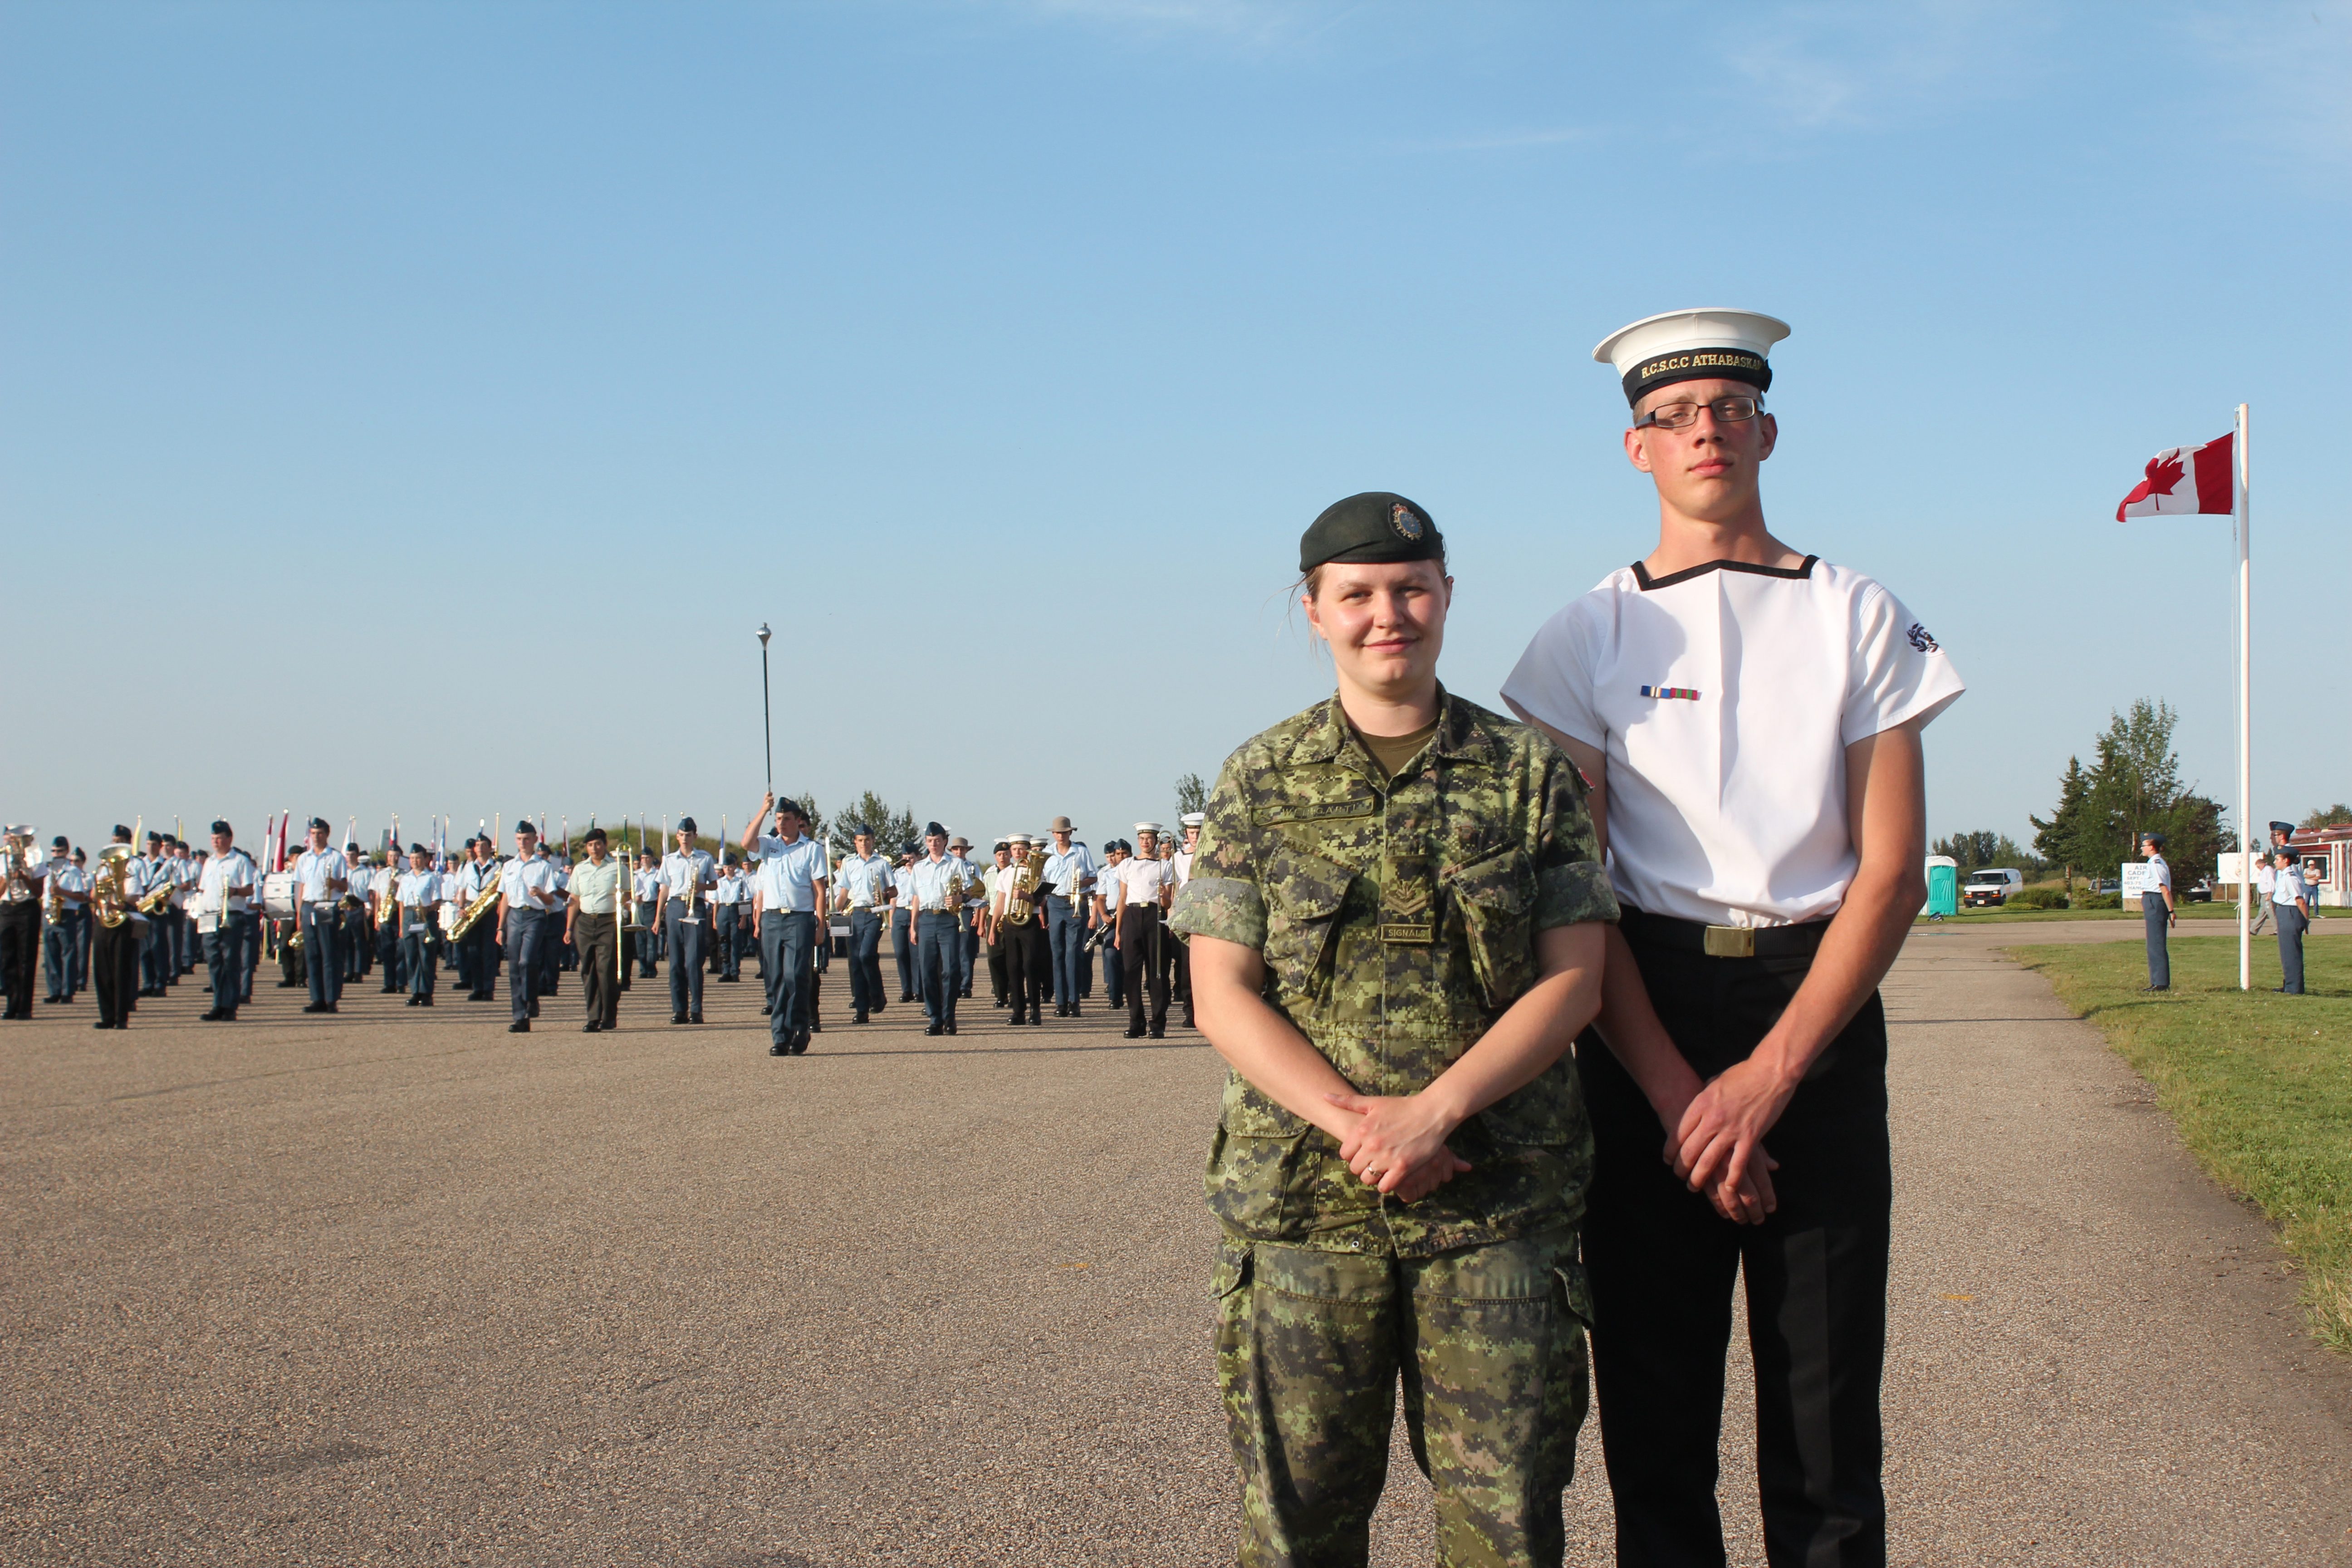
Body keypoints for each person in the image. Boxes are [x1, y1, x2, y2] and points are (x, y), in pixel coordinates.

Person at [1499, 310, 1965, 1568]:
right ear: (1634, 448)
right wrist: (1677, 1097)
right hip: (1639, 1007)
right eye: (1674, 414)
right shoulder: (1584, 636)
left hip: (1810, 1014)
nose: (1706, 429)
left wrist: (1768, 1081)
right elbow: (1575, 889)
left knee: (1824, 1422)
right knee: (1656, 1420)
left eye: (1730, 408)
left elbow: (1890, 878)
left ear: (1769, 429)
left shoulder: (1858, 613)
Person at [1172, 489, 1627, 1565]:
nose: (1389, 613)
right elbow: (1221, 990)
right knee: (1297, 1531)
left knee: (1506, 1529)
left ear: (1446, 595)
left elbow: (1575, 982)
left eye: (1411, 588)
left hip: (1497, 1203)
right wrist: (1362, 1128)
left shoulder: (1524, 774)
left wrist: (1433, 1113)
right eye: (1359, 593)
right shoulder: (1259, 776)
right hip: (1302, 1213)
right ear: (1313, 609)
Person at [743, 794, 829, 1056]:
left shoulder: (811, 849)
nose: (782, 824)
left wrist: (821, 923)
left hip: (799, 918)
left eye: (787, 819)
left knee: (796, 976)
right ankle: (780, 1036)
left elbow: (819, 890)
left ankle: (800, 1028)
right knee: (776, 978)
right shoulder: (769, 845)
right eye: (778, 819)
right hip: (772, 918)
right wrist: (763, 810)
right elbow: (747, 842)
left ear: (798, 821)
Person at [903, 821, 979, 1037]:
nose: (933, 845)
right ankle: (935, 1018)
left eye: (937, 841)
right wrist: (913, 925)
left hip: (948, 920)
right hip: (926, 919)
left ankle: (949, 1016)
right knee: (927, 971)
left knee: (951, 969)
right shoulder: (919, 868)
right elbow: (916, 898)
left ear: (945, 841)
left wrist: (960, 898)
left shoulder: (955, 864)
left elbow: (970, 891)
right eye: (929, 841)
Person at [496, 820, 563, 1033]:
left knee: (528, 961)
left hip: (535, 916)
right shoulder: (509, 866)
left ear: (535, 840)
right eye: (519, 840)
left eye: (526, 839)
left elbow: (551, 900)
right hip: (514, 917)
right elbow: (505, 897)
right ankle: (521, 1016)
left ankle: (531, 999)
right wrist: (500, 928)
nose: (523, 843)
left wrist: (540, 894)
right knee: (514, 966)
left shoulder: (543, 866)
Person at [1114, 823, 1174, 1040]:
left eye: (1149, 838)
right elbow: (1122, 899)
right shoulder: (1127, 865)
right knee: (1131, 972)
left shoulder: (1164, 866)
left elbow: (1169, 901)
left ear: (1156, 840)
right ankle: (1136, 1021)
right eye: (1142, 839)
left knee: (1157, 972)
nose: (1145, 842)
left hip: (1154, 915)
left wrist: (1164, 897)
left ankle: (1158, 1023)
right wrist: (1119, 931)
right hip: (1132, 915)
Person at [90, 827, 151, 1030]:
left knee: (121, 971)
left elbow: (133, 898)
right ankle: (107, 1015)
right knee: (102, 971)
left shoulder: (132, 871)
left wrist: (115, 902)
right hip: (103, 922)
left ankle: (121, 1017)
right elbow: (93, 895)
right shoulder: (103, 870)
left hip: (123, 923)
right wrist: (101, 893)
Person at [656, 817, 715, 1024]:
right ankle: (679, 1009)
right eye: (681, 835)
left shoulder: (704, 859)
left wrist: (702, 887)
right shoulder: (669, 860)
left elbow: (714, 885)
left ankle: (696, 1009)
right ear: (677, 836)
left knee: (693, 962)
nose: (684, 839)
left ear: (695, 837)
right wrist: (658, 918)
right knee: (675, 964)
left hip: (695, 906)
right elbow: (663, 889)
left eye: (688, 836)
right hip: (674, 906)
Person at [196, 820, 257, 1022]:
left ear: (229, 839)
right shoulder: (209, 862)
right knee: (214, 962)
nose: (216, 841)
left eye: (220, 838)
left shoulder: (240, 861)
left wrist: (234, 892)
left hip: (232, 915)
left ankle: (230, 1006)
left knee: (230, 962)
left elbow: (249, 889)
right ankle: (217, 1003)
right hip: (210, 915)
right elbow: (204, 889)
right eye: (213, 838)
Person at [565, 827, 624, 1031]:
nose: (594, 848)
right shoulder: (580, 869)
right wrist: (569, 928)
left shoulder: (617, 868)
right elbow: (574, 899)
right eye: (590, 845)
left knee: (606, 969)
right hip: (585, 922)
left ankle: (608, 1015)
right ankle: (593, 1017)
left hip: (609, 921)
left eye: (598, 844)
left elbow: (628, 893)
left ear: (605, 845)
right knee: (588, 970)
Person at [834, 823, 893, 1024]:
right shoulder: (850, 864)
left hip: (875, 914)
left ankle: (877, 994)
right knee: (856, 962)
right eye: (860, 840)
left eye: (867, 840)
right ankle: (862, 1009)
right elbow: (843, 892)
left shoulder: (882, 864)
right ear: (855, 842)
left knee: (867, 954)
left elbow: (894, 891)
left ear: (873, 841)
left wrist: (884, 894)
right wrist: (833, 912)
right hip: (856, 914)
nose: (864, 844)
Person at [291, 819, 350, 1014]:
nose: (316, 837)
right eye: (313, 833)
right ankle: (317, 998)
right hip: (309, 906)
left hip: (328, 906)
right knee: (312, 954)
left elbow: (345, 886)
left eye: (320, 833)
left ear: (327, 835)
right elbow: (299, 886)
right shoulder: (304, 858)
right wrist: (299, 913)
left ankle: (331, 999)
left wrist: (333, 882)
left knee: (329, 954)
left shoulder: (335, 857)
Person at [989, 833, 1049, 1025]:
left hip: (1029, 921)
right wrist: (992, 929)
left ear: (1028, 851)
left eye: (1021, 849)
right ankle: (1018, 1011)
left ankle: (1035, 1010)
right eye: (1014, 850)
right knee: (1013, 967)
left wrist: (1026, 896)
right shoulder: (1006, 873)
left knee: (1030, 965)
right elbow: (1000, 903)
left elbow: (1042, 900)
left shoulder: (1037, 871)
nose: (1017, 853)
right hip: (1010, 921)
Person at [1043, 817, 1094, 1017]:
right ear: (1053, 835)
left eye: (1064, 832)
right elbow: (1042, 880)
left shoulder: (1081, 852)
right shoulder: (1047, 853)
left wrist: (1079, 883)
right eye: (1057, 833)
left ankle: (1074, 1001)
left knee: (1073, 953)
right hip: (1055, 903)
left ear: (1070, 833)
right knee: (1057, 952)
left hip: (1075, 902)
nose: (1061, 836)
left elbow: (1093, 876)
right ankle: (1060, 1002)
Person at [0, 826, 46, 1019]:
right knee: (7, 960)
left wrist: (24, 875)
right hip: (6, 909)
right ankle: (12, 1003)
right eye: (10, 837)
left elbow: (38, 892)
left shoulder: (36, 855)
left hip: (27, 909)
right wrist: (8, 877)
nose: (11, 841)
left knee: (27, 959)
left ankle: (25, 1007)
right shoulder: (2, 857)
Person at [390, 843, 443, 1006]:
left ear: (425, 859)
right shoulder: (405, 879)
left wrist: (428, 909)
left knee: (426, 956)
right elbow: (401, 903)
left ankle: (426, 993)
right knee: (411, 956)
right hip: (409, 915)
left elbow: (438, 901)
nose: (415, 861)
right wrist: (401, 926)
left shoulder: (432, 877)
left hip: (426, 916)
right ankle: (415, 991)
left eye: (418, 858)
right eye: (412, 858)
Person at [42, 835, 88, 1004]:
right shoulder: (49, 871)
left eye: (60, 851)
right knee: (50, 954)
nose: (56, 854)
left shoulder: (73, 871)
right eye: (54, 851)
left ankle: (68, 992)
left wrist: (61, 892)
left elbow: (81, 896)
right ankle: (54, 991)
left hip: (67, 913)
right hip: (49, 913)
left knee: (68, 953)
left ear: (67, 852)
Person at [1171, 812, 1204, 1028]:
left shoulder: (1211, 854)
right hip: (1185, 910)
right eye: (1191, 833)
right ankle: (1190, 1011)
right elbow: (1175, 886)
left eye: (1198, 832)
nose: (1195, 836)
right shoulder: (1178, 858)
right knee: (1185, 965)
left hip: (1204, 911)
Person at [2139, 831, 2176, 991]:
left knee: (2156, 943)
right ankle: (2156, 980)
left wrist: (2171, 911)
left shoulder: (2157, 865)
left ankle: (2161, 983)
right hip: (2151, 900)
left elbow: (2165, 889)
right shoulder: (2153, 864)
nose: (2142, 848)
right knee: (2152, 943)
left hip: (2156, 901)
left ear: (2152, 847)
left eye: (2144, 845)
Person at [2272, 849, 2309, 995]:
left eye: (2277, 859)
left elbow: (2300, 901)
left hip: (2290, 913)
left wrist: (2306, 920)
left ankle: (2294, 988)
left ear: (2286, 860)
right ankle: (2290, 985)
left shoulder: (2290, 878)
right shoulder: (2283, 876)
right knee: (2286, 953)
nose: (2275, 862)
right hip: (2284, 912)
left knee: (2291, 953)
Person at [710, 853, 748, 984]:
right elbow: (716, 902)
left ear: (735, 867)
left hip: (735, 910)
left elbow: (745, 901)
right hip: (723, 911)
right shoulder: (719, 883)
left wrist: (743, 919)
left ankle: (735, 971)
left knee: (736, 943)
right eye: (726, 867)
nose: (728, 870)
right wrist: (715, 919)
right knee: (723, 942)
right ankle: (725, 971)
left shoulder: (741, 882)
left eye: (730, 867)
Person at [891, 844, 920, 1004]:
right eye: (905, 858)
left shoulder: (921, 872)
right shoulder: (897, 874)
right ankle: (906, 989)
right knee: (901, 953)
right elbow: (893, 899)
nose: (908, 861)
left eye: (911, 858)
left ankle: (917, 990)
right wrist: (891, 920)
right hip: (900, 913)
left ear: (918, 857)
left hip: (916, 912)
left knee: (916, 954)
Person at [632, 850, 662, 978]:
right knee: (640, 940)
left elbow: (661, 892)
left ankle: (651, 968)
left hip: (652, 906)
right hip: (639, 907)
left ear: (652, 859)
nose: (645, 860)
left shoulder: (657, 874)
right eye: (643, 858)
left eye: (647, 858)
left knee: (651, 939)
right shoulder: (636, 874)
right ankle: (643, 968)